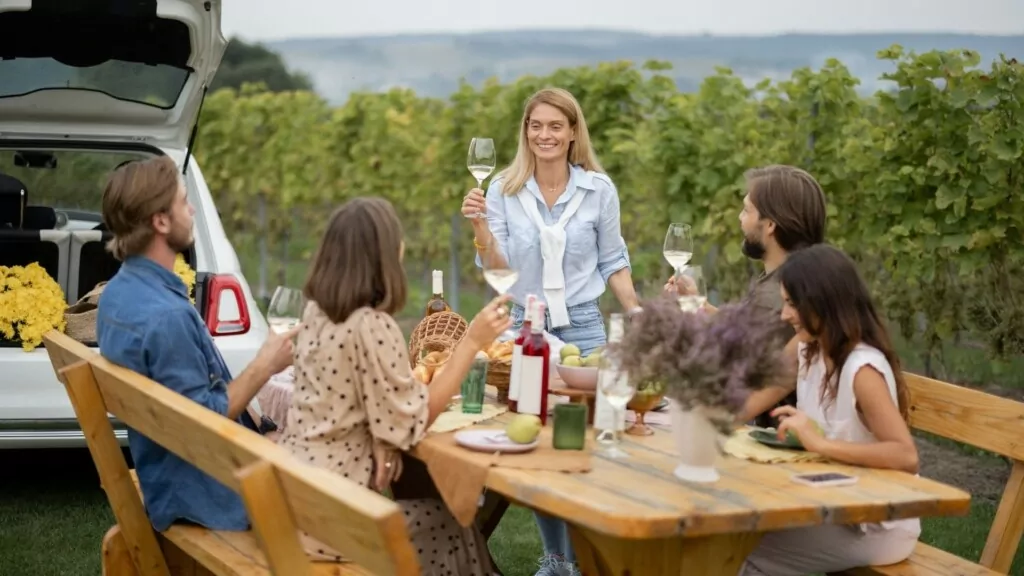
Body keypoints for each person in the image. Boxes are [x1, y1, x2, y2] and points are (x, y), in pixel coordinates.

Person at [277, 197, 510, 574]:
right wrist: (471, 342)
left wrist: (381, 436)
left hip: (297, 500)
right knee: (452, 525)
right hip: (337, 522)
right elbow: (416, 419)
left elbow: (365, 402)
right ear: (383, 255)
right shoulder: (372, 325)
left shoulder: (316, 312)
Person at [461, 87, 640, 575]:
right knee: (541, 447)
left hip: (584, 326)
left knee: (595, 443)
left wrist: (637, 314)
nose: (545, 134)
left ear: (572, 132)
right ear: (526, 132)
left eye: (555, 126)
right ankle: (558, 561)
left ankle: (596, 558)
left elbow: (614, 261)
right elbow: (496, 266)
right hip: (526, 327)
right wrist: (479, 228)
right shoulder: (503, 189)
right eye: (536, 125)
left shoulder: (598, 189)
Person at [96, 156, 298, 533]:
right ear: (160, 221)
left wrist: (262, 427)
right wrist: (265, 365)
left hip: (168, 474)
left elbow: (190, 400)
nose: (190, 210)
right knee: (349, 461)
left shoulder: (118, 295)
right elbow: (203, 419)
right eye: (183, 201)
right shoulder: (167, 316)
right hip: (211, 495)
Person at [738, 244, 920, 575]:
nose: (784, 315)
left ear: (824, 303)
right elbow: (770, 384)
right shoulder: (811, 345)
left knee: (736, 552)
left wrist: (819, 444)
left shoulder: (862, 368)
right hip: (830, 505)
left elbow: (905, 456)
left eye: (793, 304)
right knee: (728, 534)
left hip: (874, 523)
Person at [667, 164, 828, 428]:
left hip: (778, 437)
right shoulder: (792, 279)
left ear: (770, 224)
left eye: (746, 210)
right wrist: (700, 304)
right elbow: (744, 333)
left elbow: (739, 362)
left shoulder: (779, 294)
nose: (740, 219)